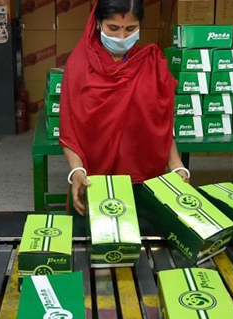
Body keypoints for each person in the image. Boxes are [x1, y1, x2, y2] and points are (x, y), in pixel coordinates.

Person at [59, 0, 188, 215]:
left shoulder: (152, 64)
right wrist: (77, 170)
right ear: (98, 23)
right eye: (113, 28)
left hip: (145, 179)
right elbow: (69, 128)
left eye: (130, 29)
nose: (121, 37)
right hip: (94, 181)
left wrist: (177, 167)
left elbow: (161, 126)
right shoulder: (79, 67)